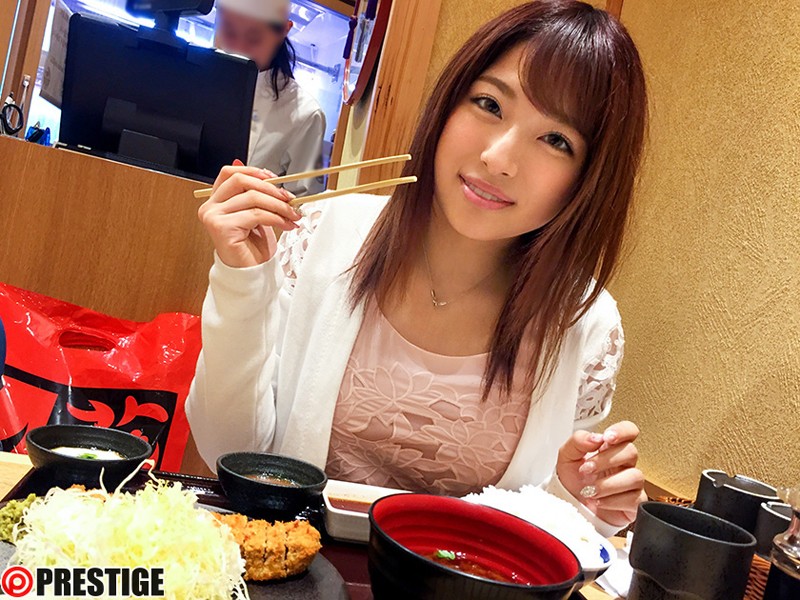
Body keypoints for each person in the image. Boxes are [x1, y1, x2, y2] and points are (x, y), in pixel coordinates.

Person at [188, 0, 648, 535]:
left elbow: (543, 527)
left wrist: (580, 499)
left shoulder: (585, 326)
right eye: (489, 104)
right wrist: (241, 281)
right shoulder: (319, 238)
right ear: (449, 103)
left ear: (589, 180)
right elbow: (229, 451)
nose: (499, 158)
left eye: (556, 140)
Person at [214, 0, 326, 196]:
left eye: (254, 38)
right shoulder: (195, 77)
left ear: (283, 30)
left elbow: (302, 204)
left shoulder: (305, 113)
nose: (238, 47)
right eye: (229, 31)